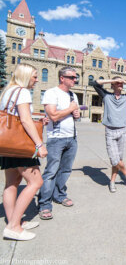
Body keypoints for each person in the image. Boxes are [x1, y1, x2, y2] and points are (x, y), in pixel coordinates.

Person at [0, 64, 48, 240]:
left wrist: (36, 117)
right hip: (21, 147)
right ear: (26, 76)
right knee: (36, 182)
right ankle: (14, 227)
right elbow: (25, 120)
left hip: (7, 144)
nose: (36, 80)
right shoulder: (23, 92)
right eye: (34, 76)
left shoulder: (8, 91)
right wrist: (39, 144)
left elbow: (16, 115)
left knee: (11, 183)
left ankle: (14, 220)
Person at [38, 66, 80, 220]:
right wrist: (70, 109)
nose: (75, 80)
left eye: (76, 78)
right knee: (51, 171)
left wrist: (76, 113)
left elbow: (75, 114)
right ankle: (44, 204)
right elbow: (53, 116)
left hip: (72, 137)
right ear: (62, 78)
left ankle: (60, 195)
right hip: (56, 138)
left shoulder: (73, 95)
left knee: (66, 170)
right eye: (72, 77)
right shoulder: (51, 93)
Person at [93, 77, 126, 193]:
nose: (120, 85)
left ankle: (112, 182)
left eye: (121, 84)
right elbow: (95, 83)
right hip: (110, 131)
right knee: (114, 160)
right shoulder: (106, 96)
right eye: (117, 83)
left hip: (122, 131)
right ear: (113, 85)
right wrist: (111, 80)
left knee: (119, 159)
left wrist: (124, 81)